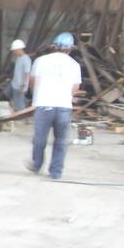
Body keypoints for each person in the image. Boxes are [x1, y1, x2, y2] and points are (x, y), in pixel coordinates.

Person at [25, 32, 81, 180]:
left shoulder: (40, 61)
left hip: (43, 105)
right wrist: (66, 96)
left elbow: (32, 81)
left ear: (53, 46)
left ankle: (37, 164)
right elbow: (76, 87)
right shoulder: (74, 65)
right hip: (63, 106)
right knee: (61, 141)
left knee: (39, 139)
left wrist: (36, 95)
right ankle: (56, 172)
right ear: (70, 49)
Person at [9, 39, 31, 111]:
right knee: (15, 101)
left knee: (19, 106)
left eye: (15, 50)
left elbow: (27, 74)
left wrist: (25, 86)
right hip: (15, 84)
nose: (14, 52)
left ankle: (20, 119)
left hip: (20, 86)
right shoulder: (19, 58)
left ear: (20, 49)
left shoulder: (26, 60)